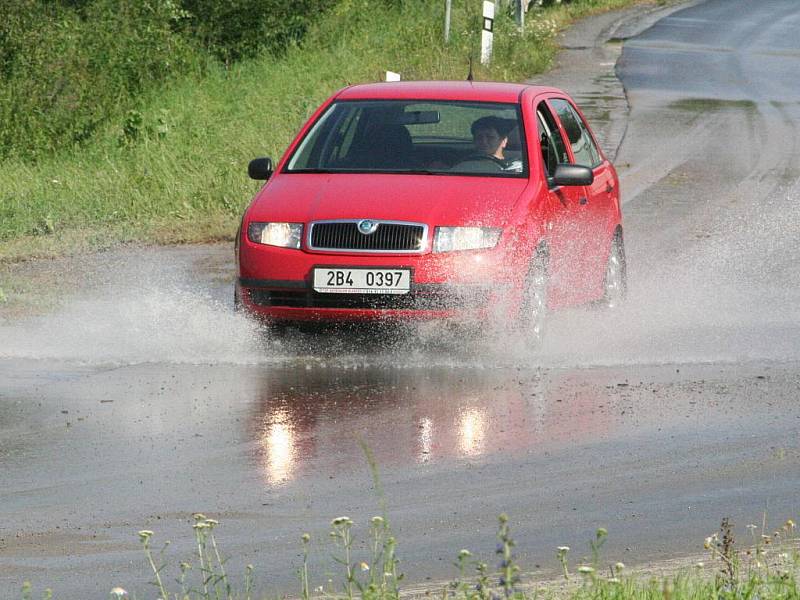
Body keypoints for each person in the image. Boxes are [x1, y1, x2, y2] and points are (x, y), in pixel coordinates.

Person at [453, 116, 522, 172]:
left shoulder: (515, 166)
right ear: (474, 141)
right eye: (479, 137)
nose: (484, 141)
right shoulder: (463, 163)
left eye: (490, 137)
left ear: (503, 141)